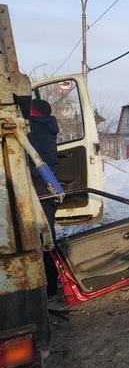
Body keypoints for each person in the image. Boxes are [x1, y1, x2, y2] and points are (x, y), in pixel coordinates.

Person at [28, 98, 60, 298]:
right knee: (46, 236)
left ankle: (48, 287)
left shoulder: (36, 130)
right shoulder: (44, 127)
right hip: (44, 190)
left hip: (40, 190)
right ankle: (49, 285)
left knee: (45, 239)